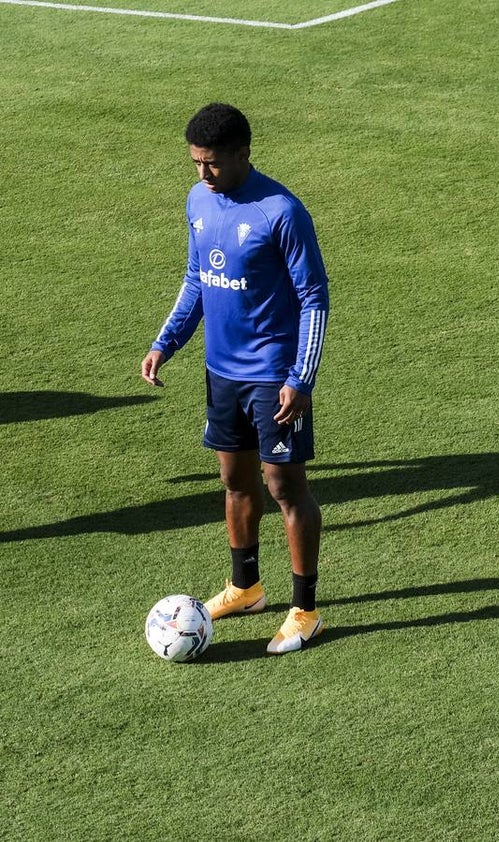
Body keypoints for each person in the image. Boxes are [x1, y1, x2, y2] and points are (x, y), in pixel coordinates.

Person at [141, 103, 330, 655]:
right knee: (235, 481)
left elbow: (314, 297)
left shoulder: (282, 211)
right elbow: (197, 277)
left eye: (213, 163)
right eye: (195, 162)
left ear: (243, 153)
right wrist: (165, 341)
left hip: (274, 374)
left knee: (284, 486)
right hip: (220, 371)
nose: (202, 173)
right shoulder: (199, 200)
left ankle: (305, 609)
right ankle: (245, 586)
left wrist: (302, 376)